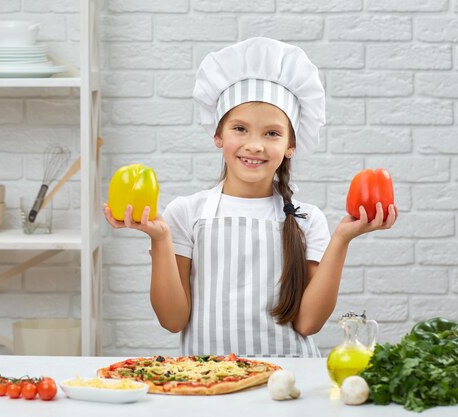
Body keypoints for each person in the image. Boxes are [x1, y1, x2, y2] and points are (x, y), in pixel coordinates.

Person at [104, 37, 397, 357]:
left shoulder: (307, 219)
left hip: (288, 384)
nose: (255, 145)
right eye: (240, 129)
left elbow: (308, 323)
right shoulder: (186, 212)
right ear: (218, 134)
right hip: (206, 384)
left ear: (290, 146)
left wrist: (341, 239)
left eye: (271, 133)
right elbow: (173, 320)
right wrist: (160, 239)